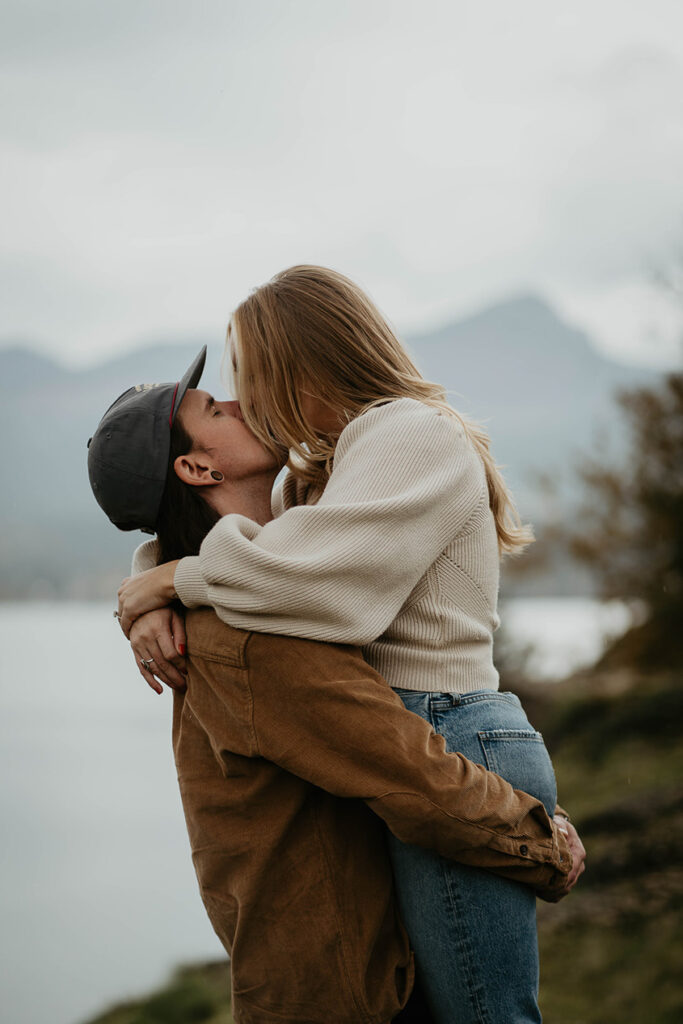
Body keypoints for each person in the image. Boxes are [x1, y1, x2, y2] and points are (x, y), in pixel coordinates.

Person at [116, 267, 586, 1023]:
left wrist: (166, 580)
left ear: (300, 359)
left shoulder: (405, 433)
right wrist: (149, 587)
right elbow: (252, 541)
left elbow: (312, 582)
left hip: (451, 730)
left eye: (251, 373)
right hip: (420, 733)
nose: (244, 396)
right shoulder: (328, 467)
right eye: (224, 399)